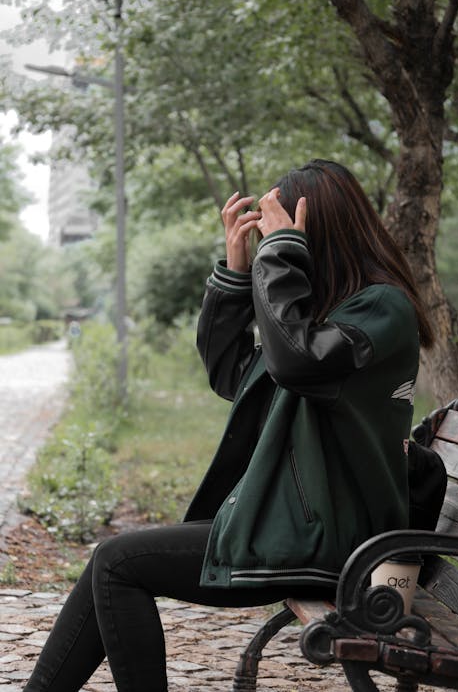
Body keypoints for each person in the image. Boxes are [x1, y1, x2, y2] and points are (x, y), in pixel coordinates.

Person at [23, 158, 434, 692]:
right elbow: (233, 374)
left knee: (117, 563)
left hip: (335, 540)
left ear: (318, 231)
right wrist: (237, 276)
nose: (270, 238)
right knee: (113, 562)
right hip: (298, 525)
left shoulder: (382, 307)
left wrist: (280, 255)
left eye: (279, 229)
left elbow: (296, 362)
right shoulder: (336, 312)